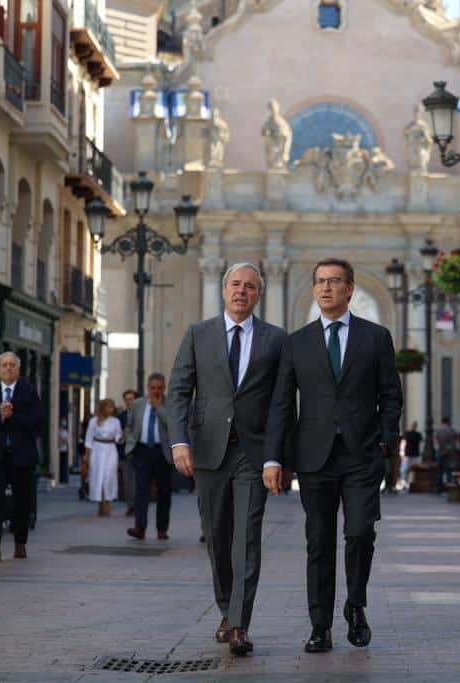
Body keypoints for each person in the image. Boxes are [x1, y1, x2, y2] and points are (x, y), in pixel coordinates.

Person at [265, 257, 403, 654]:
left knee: (360, 533)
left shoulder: (375, 338)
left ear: (350, 289)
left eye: (334, 282)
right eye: (320, 282)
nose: (326, 288)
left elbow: (390, 395)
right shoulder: (297, 342)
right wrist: (275, 458)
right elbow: (281, 405)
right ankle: (320, 626)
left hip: (361, 455)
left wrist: (385, 441)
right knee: (319, 542)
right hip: (314, 457)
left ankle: (355, 604)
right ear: (313, 290)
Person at [169, 262, 287, 657]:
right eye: (235, 285)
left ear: (258, 295)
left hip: (252, 455)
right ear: (224, 290)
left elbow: (281, 403)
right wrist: (178, 442)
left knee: (247, 538)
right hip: (207, 450)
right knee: (217, 537)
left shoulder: (275, 340)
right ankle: (226, 607)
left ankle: (239, 623)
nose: (242, 291)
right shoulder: (198, 334)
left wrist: (275, 457)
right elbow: (179, 391)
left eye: (250, 286)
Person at [0, 351, 44, 562]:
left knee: (22, 502)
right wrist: (0, 418)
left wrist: (13, 417)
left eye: (12, 365)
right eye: (4, 365)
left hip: (21, 455)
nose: (8, 368)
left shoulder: (29, 391)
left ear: (18, 369)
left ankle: (20, 543)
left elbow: (37, 422)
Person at [126, 374, 173, 540]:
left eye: (159, 388)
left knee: (163, 492)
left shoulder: (171, 403)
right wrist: (130, 444)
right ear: (148, 387)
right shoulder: (138, 404)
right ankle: (140, 527)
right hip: (142, 450)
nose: (156, 391)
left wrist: (159, 407)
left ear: (164, 388)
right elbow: (130, 425)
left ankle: (162, 529)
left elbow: (172, 424)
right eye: (153, 388)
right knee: (141, 489)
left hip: (162, 452)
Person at [84, 399, 121, 517]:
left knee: (109, 476)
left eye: (112, 407)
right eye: (108, 407)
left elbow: (118, 437)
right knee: (97, 476)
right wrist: (87, 456)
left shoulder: (115, 421)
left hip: (110, 450)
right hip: (97, 450)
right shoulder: (93, 421)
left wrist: (122, 436)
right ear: (103, 408)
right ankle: (100, 504)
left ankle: (107, 502)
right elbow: (88, 439)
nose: (111, 410)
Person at [118, 388, 138, 516]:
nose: (129, 402)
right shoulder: (121, 417)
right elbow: (117, 438)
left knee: (138, 481)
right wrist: (122, 436)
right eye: (127, 400)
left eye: (131, 399)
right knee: (127, 481)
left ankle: (138, 505)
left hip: (139, 452)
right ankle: (130, 505)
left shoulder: (142, 414)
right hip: (125, 453)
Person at [436, 417, 460, 491]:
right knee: (449, 470)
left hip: (440, 452)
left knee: (440, 471)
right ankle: (448, 486)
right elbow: (454, 442)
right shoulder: (452, 430)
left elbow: (437, 441)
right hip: (449, 453)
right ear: (448, 422)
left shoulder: (438, 431)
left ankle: (439, 487)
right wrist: (448, 449)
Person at [400, 422, 422, 489]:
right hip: (413, 453)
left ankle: (407, 482)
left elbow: (403, 441)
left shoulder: (408, 433)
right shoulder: (417, 434)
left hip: (410, 453)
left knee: (408, 469)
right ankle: (408, 482)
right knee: (411, 469)